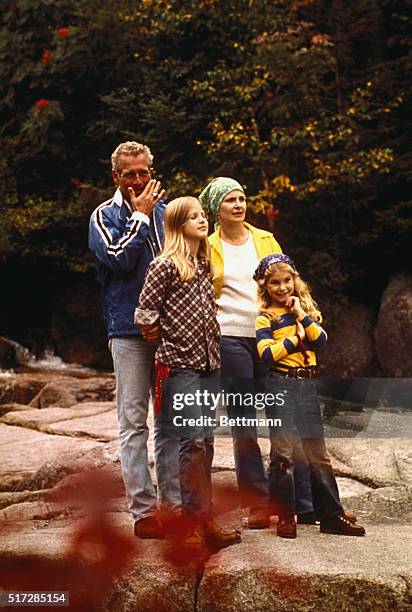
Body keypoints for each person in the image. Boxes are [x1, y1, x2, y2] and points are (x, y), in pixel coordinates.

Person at [135, 196, 241, 552]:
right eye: (193, 217)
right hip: (180, 364)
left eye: (202, 215)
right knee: (191, 441)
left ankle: (205, 519)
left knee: (206, 442)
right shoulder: (164, 265)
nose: (202, 221)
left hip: (210, 362)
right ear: (178, 225)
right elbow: (145, 313)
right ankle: (190, 525)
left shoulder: (204, 262)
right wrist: (166, 339)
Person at [88, 141, 181, 539]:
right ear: (116, 176)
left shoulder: (167, 213)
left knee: (169, 422)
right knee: (132, 423)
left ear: (152, 172)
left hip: (168, 333)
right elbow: (119, 259)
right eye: (130, 174)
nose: (138, 180)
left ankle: (174, 509)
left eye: (144, 172)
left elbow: (179, 267)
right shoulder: (103, 215)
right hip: (126, 332)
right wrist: (140, 217)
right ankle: (143, 513)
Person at [255, 253, 366, 538]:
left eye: (287, 280)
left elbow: (320, 339)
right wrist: (295, 339)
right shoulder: (265, 318)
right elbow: (267, 354)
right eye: (275, 283)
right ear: (266, 287)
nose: (282, 288)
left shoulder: (303, 311)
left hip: (306, 386)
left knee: (318, 454)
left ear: (295, 280)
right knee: (283, 453)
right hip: (280, 384)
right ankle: (285, 515)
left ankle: (331, 515)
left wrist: (300, 315)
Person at [199, 177, 282, 528]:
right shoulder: (206, 243)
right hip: (230, 337)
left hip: (270, 336)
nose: (239, 205)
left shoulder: (265, 239)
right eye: (230, 200)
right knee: (245, 421)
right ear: (217, 208)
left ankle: (288, 498)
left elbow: (286, 279)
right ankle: (257, 501)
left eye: (242, 198)